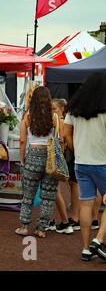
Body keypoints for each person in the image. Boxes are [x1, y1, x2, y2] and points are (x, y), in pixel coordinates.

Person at [64, 73, 106, 262]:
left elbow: (66, 134)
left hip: (81, 163)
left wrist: (77, 149)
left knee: (86, 204)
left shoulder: (73, 110)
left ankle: (85, 248)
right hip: (103, 162)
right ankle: (98, 240)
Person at [15, 87, 59, 239]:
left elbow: (22, 141)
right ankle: (41, 228)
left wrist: (22, 159)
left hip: (32, 155)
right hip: (50, 157)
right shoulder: (54, 117)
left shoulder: (27, 116)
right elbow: (59, 139)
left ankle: (24, 226)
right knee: (48, 196)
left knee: (28, 195)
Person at [46, 98, 74, 234]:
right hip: (57, 158)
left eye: (54, 108)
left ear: (62, 109)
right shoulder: (59, 120)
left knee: (54, 191)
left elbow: (62, 139)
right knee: (53, 191)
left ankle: (64, 221)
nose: (52, 111)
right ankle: (54, 220)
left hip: (55, 159)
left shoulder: (60, 121)